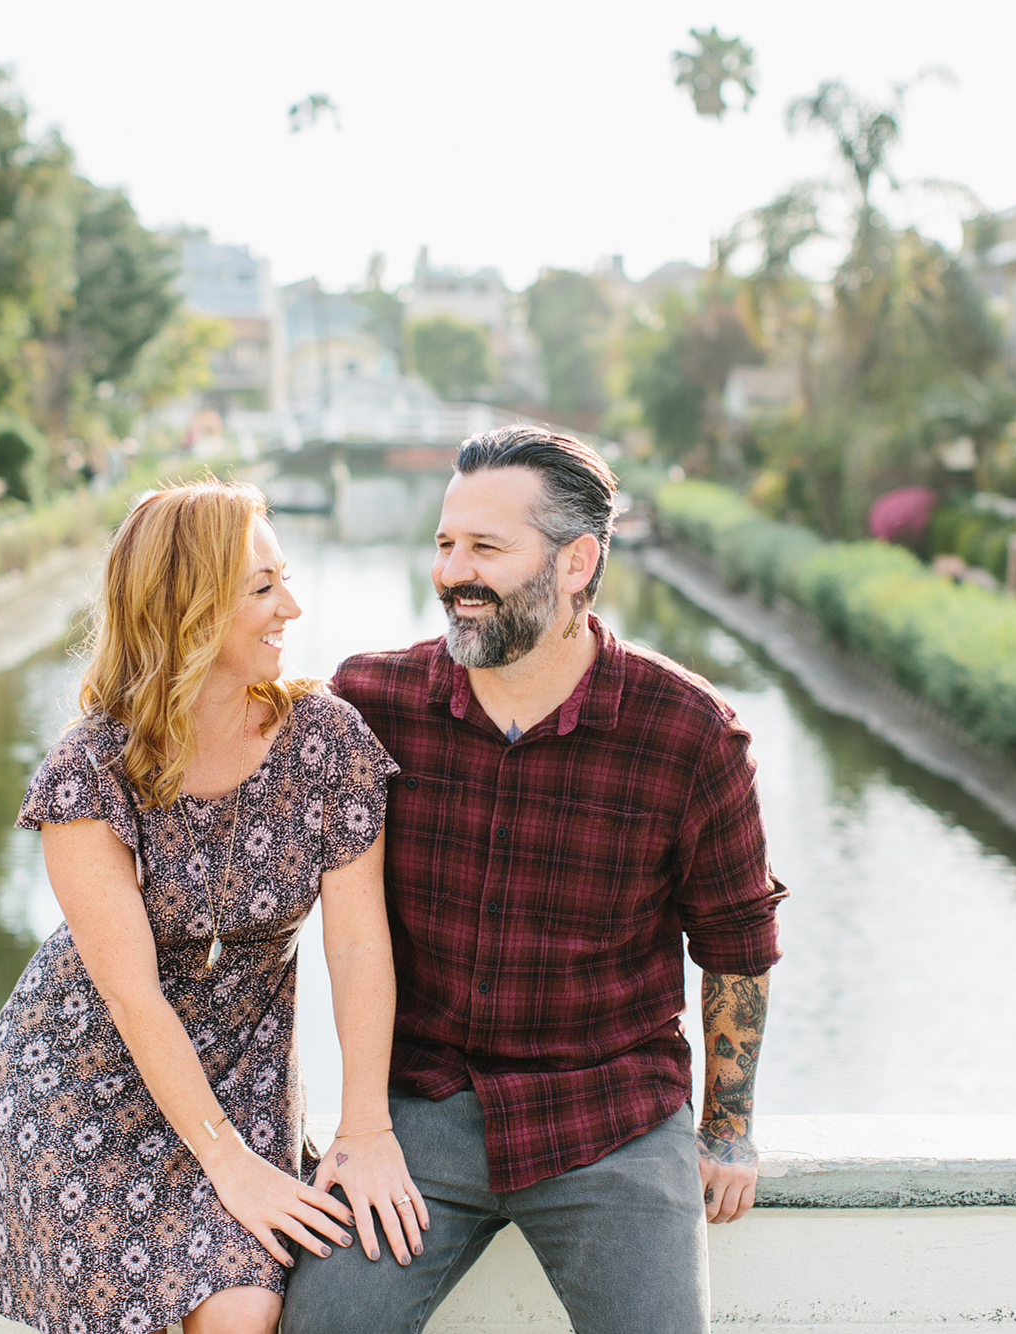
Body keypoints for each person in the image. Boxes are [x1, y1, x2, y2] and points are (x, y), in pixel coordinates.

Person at [283, 427, 785, 1334]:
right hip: (418, 1116)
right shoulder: (370, 701)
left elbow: (738, 948)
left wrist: (727, 1129)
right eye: (444, 544)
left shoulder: (691, 734)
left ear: (576, 561)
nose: (451, 573)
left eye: (485, 548)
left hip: (610, 1121)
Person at [0, 480, 427, 1334]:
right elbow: (130, 996)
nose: (291, 605)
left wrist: (365, 1124)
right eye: (261, 588)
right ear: (186, 610)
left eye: (283, 578)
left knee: (244, 1310)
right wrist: (227, 1163)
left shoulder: (326, 742)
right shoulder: (88, 771)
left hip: (245, 1060)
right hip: (86, 1073)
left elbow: (361, 947)